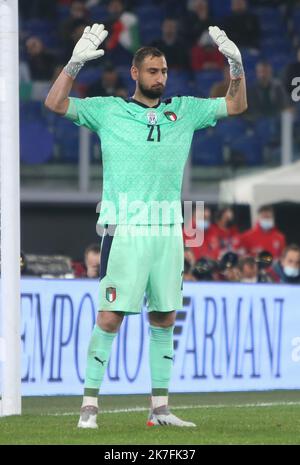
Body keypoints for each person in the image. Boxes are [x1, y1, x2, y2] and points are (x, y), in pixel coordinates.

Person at [45, 23, 247, 428]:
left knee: (165, 317)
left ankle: (160, 409)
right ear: (136, 73)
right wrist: (73, 65)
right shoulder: (108, 111)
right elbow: (54, 103)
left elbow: (236, 106)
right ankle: (89, 407)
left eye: (165, 71)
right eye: (153, 71)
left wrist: (236, 67)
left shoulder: (185, 111)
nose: (160, 77)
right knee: (110, 317)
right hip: (125, 231)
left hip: (169, 230)